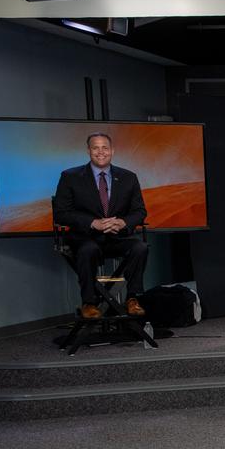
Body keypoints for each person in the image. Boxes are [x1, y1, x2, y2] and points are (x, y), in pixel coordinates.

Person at [52, 132, 149, 320]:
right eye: (95, 148)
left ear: (112, 151)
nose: (100, 152)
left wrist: (122, 223)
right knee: (88, 250)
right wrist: (93, 223)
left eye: (105, 147)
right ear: (88, 151)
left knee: (140, 247)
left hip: (117, 236)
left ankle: (133, 298)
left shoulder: (129, 177)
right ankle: (89, 303)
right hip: (85, 238)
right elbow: (61, 213)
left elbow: (139, 211)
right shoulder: (70, 177)